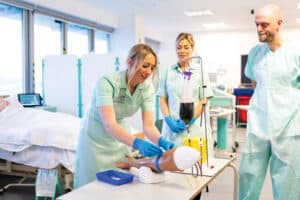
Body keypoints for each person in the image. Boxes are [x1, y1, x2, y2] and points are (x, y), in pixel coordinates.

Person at [74, 44, 175, 188]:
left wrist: (161, 141)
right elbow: (109, 124)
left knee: (121, 185)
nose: (148, 72)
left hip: (121, 139)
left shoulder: (146, 88)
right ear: (129, 62)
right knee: (92, 187)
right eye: (145, 66)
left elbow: (148, 126)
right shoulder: (107, 82)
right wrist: (137, 143)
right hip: (95, 140)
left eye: (152, 68)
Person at [239, 4, 300, 200]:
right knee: (248, 177)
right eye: (256, 24)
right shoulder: (255, 53)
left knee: (287, 185)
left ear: (279, 23)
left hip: (288, 129)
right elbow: (255, 82)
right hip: (258, 126)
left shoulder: (295, 54)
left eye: (264, 24)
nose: (259, 29)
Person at [157, 32, 214, 161]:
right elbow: (162, 98)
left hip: (194, 129)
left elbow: (204, 100)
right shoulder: (168, 71)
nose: (182, 51)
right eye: (179, 47)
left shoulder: (200, 71)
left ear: (192, 49)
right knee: (171, 168)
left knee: (197, 169)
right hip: (172, 130)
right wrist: (168, 120)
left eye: (186, 47)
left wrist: (190, 119)